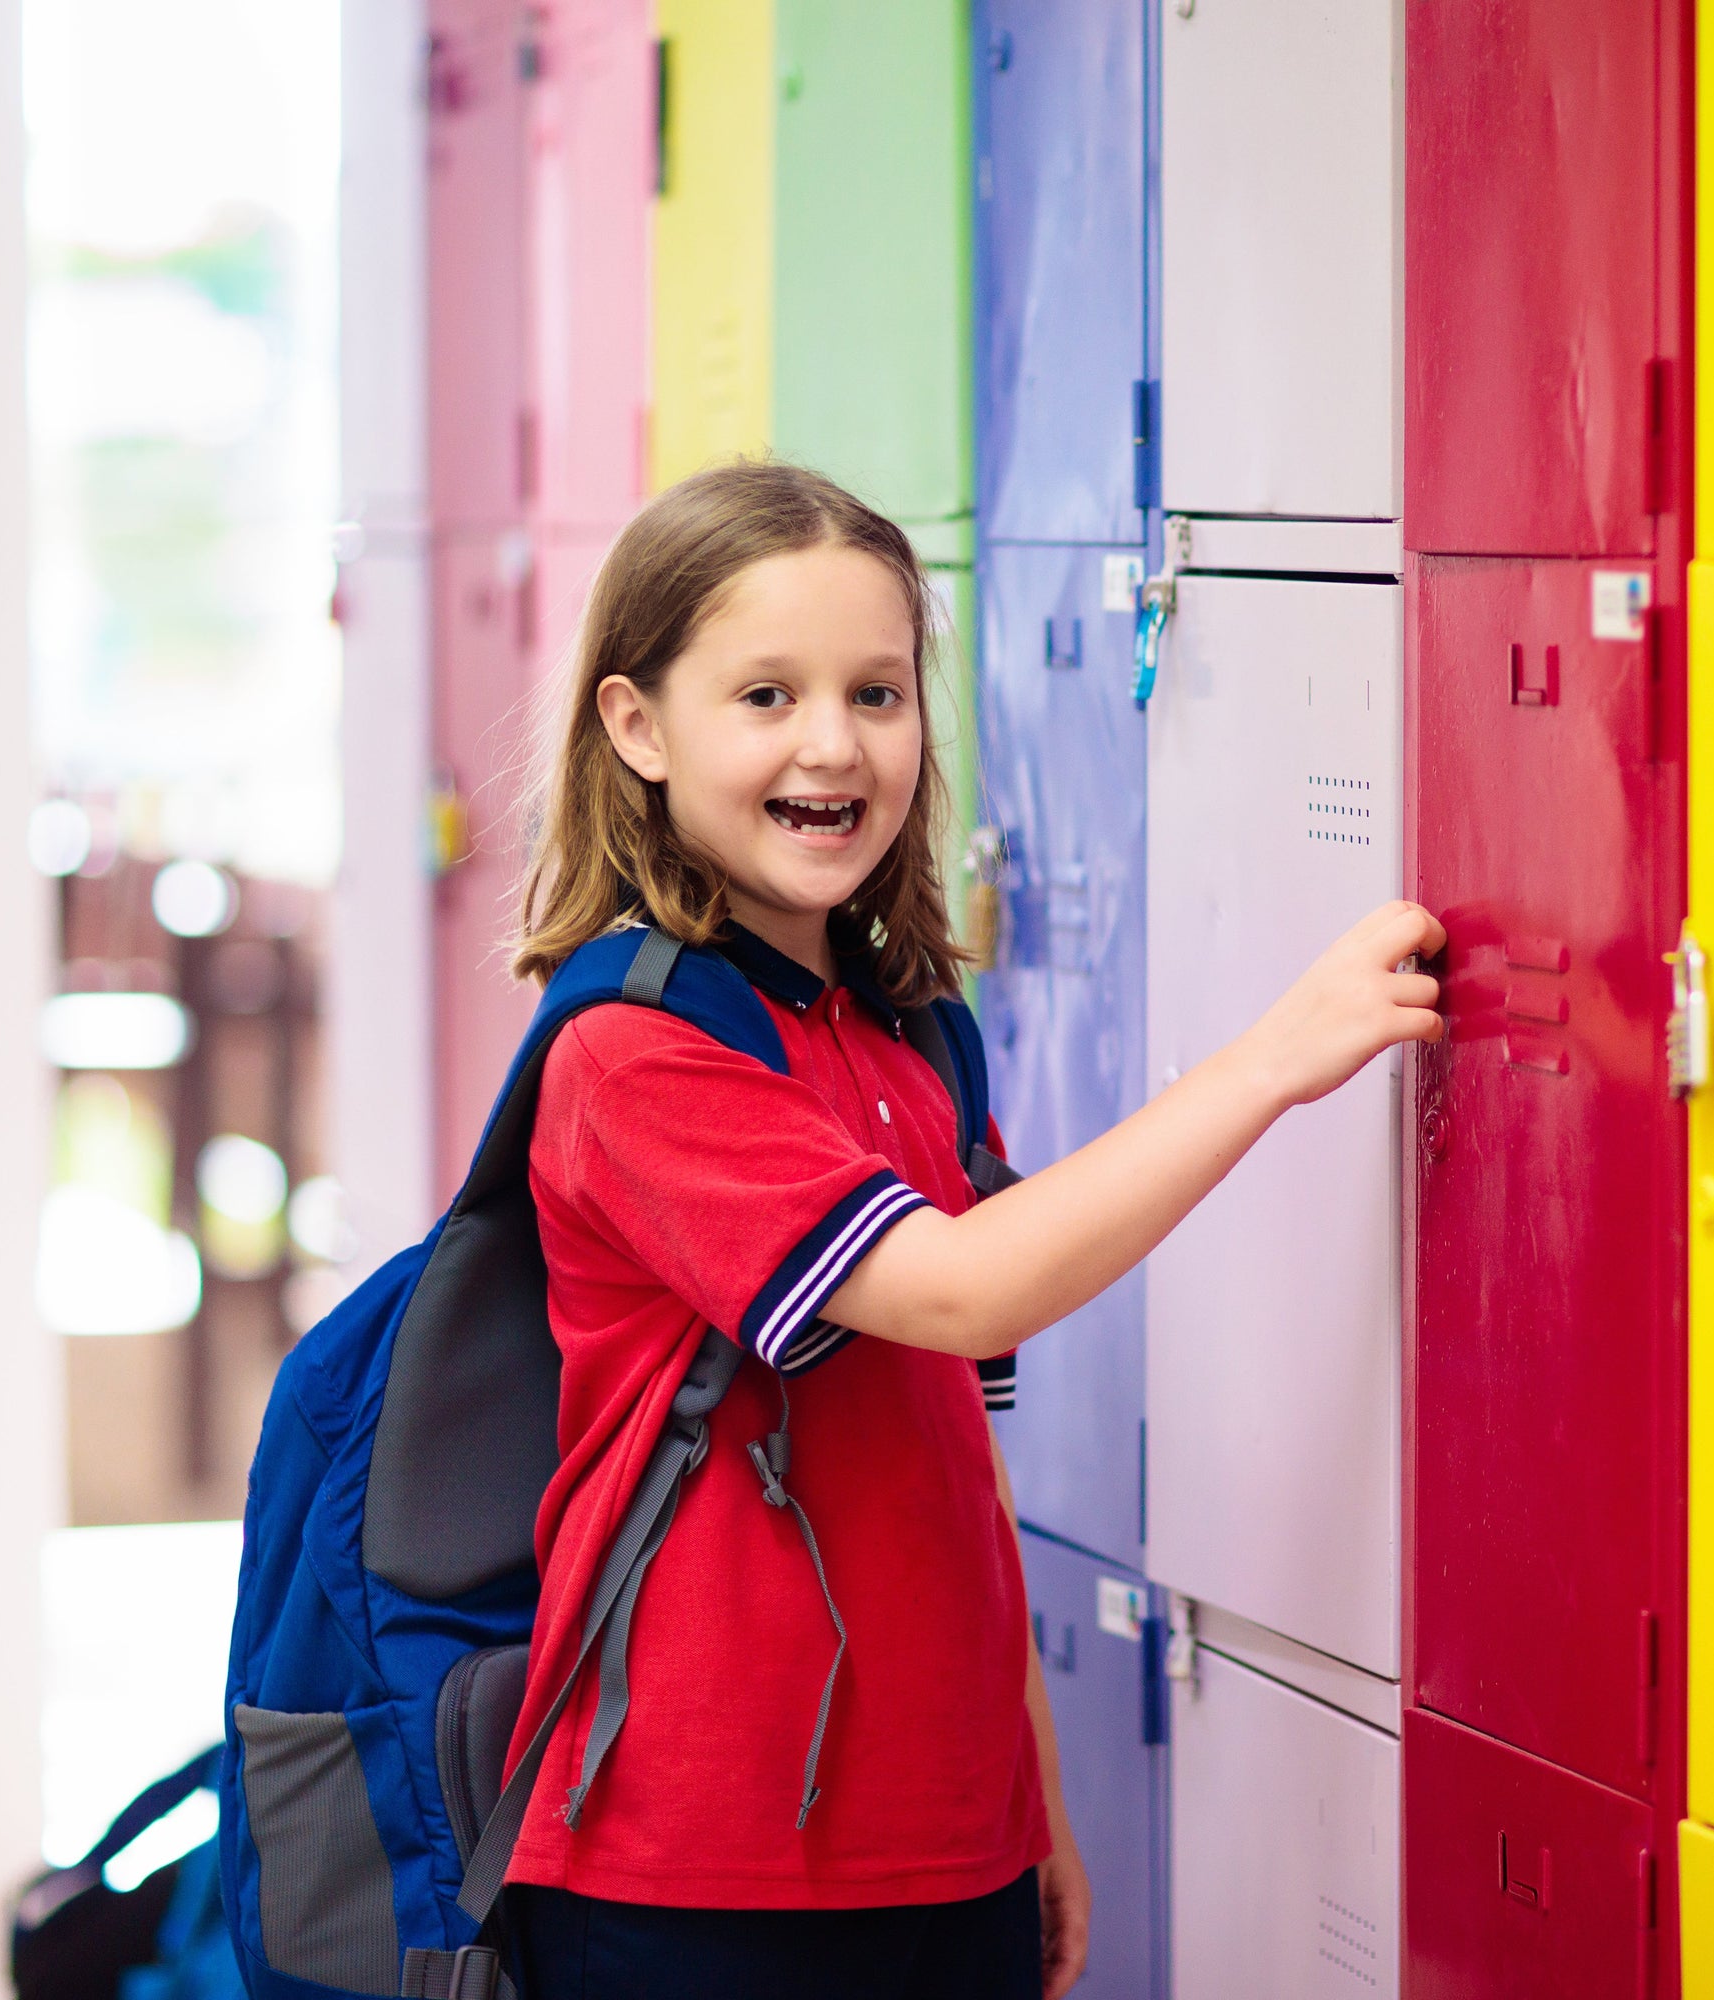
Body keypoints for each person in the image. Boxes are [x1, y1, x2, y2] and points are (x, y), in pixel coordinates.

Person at [492, 459, 1444, 2000]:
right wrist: (1273, 1059)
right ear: (637, 728)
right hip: (699, 1874)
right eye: (766, 697)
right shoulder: (633, 1055)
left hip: (947, 1847)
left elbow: (959, 1457)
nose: (833, 743)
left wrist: (1032, 1798)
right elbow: (959, 1290)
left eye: (877, 692)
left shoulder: (907, 1031)